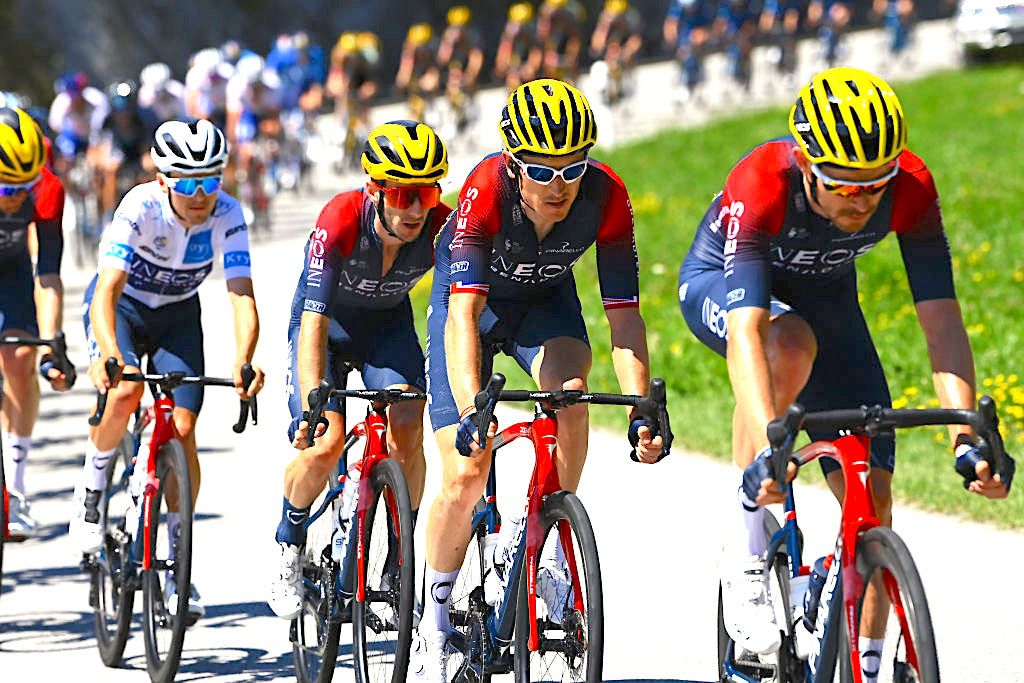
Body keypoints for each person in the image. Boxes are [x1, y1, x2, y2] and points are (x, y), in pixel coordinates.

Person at [676, 68, 1015, 681]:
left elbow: (941, 319)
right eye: (843, 186)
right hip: (724, 290)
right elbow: (749, 333)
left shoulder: (910, 187)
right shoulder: (763, 183)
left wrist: (966, 436)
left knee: (873, 501)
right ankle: (748, 540)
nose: (861, 201)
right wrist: (770, 446)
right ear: (807, 165)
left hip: (830, 305)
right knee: (789, 343)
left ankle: (866, 660)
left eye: (874, 186)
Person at [412, 78, 664, 679]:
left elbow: (624, 315)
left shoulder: (606, 196)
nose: (559, 185)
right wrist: (475, 409)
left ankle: (546, 534)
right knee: (466, 472)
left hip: (545, 304)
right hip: (470, 307)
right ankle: (435, 622)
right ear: (512, 161)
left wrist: (640, 408)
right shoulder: (483, 192)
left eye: (572, 167)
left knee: (570, 396)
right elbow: (464, 315)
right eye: (541, 170)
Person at [71, 119, 265, 623]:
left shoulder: (228, 214)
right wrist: (107, 354)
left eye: (211, 181)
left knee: (182, 430)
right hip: (125, 310)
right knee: (125, 394)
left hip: (179, 314)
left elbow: (241, 297)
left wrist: (244, 360)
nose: (200, 195)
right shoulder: (139, 207)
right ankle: (90, 495)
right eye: (187, 183)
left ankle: (178, 558)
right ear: (163, 180)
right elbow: (106, 292)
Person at [268, 120, 451, 619]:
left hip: (386, 326)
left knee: (408, 423)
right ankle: (289, 542)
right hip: (325, 327)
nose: (417, 207)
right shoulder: (340, 220)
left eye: (429, 192)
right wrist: (312, 402)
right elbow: (311, 321)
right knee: (325, 443)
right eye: (403, 193)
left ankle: (397, 560)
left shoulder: (441, 225)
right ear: (375, 190)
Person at [0, 107, 75, 538]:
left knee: (22, 357)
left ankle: (17, 489)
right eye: (7, 186)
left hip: (11, 273)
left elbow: (47, 275)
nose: (16, 196)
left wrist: (51, 344)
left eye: (22, 185)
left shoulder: (46, 189)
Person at [663, 0, 713, 103]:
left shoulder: (704, 6)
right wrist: (671, 35)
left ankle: (698, 80)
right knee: (683, 55)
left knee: (696, 56)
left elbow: (710, 27)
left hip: (699, 37)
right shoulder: (678, 5)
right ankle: (683, 81)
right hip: (684, 37)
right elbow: (671, 22)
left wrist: (702, 35)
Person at [395, 23, 441, 122]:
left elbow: (433, 79)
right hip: (414, 100)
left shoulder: (433, 56)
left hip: (430, 100)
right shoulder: (409, 56)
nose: (421, 51)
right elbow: (401, 81)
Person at [494, 2, 544, 91]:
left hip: (530, 67)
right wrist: (503, 65)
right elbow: (504, 51)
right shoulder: (510, 32)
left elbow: (536, 52)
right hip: (516, 64)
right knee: (512, 80)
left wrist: (531, 66)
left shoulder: (534, 32)